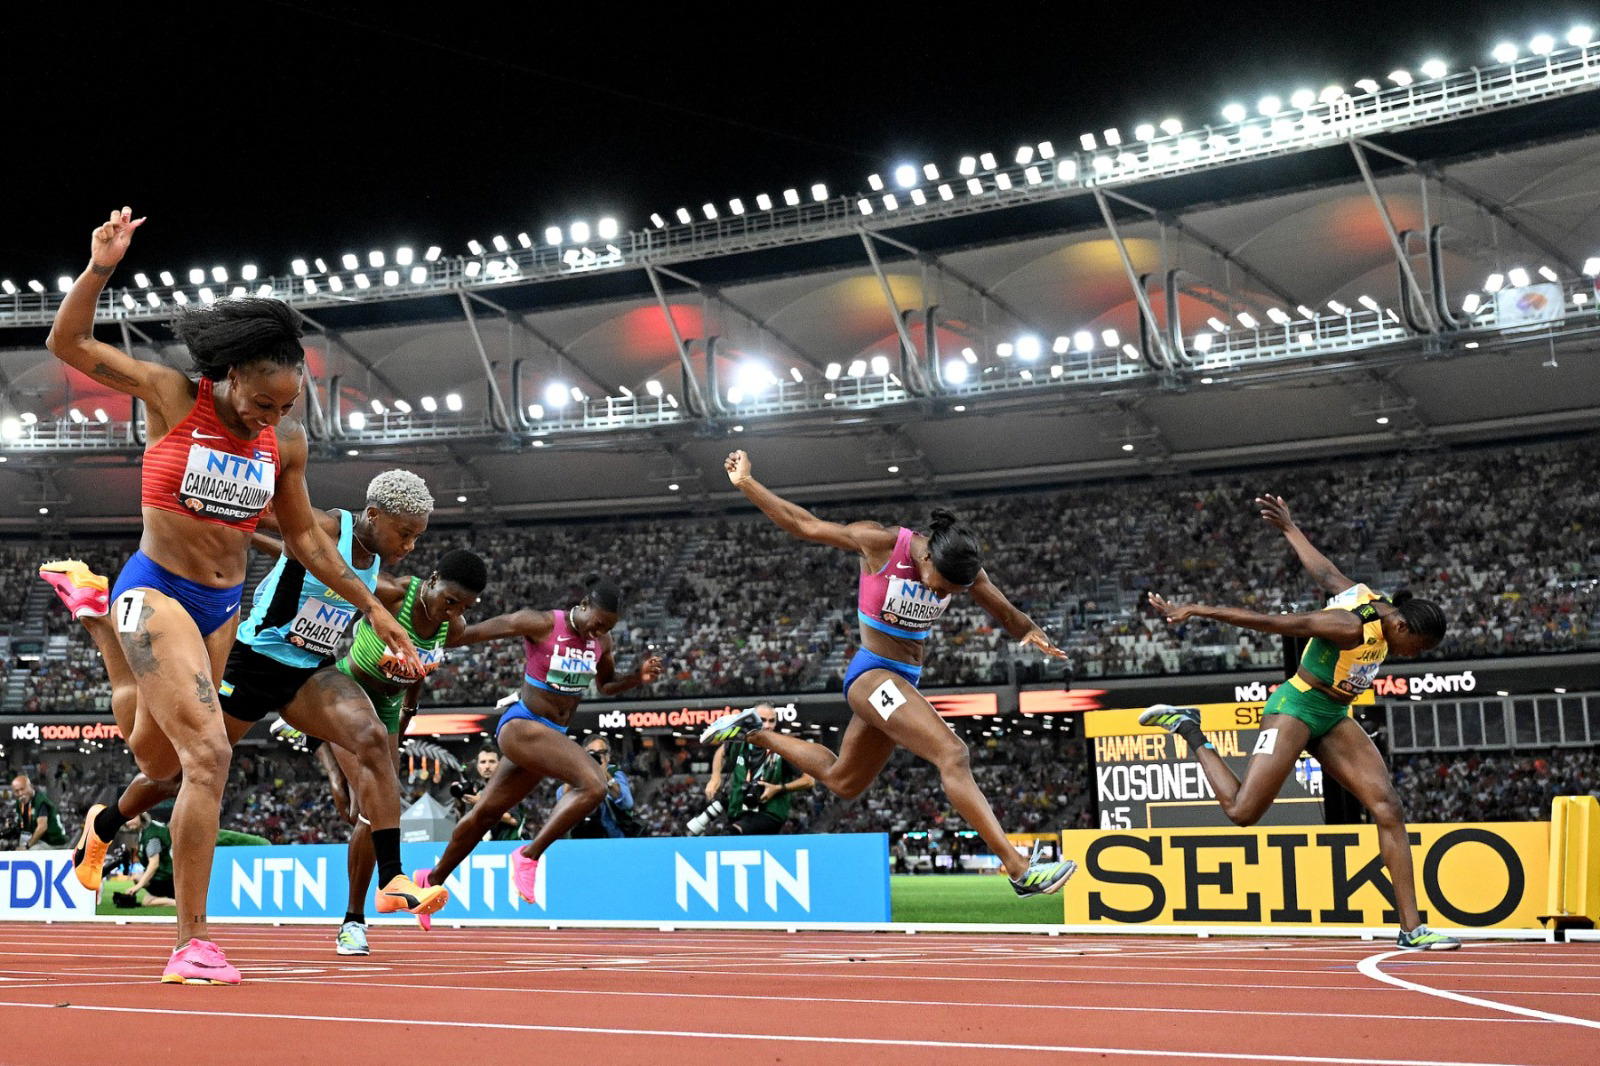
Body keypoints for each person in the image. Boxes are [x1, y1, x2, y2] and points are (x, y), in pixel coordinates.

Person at [42, 206, 422, 985]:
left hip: (222, 611)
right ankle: (190, 942)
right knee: (210, 754)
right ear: (232, 372)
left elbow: (309, 539)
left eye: (285, 408)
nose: (271, 418)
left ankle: (90, 621)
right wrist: (100, 266)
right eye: (262, 401)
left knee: (160, 761)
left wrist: (377, 608)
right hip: (156, 594)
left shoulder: (284, 443)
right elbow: (67, 344)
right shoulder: (172, 396)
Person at [46, 470, 449, 960]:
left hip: (307, 673)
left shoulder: (382, 577)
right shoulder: (322, 525)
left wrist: (404, 661)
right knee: (174, 772)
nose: (409, 544)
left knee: (371, 736)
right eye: (404, 532)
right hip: (251, 660)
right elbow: (256, 520)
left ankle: (391, 877)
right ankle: (105, 824)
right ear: (374, 515)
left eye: (417, 536)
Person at [700, 451, 1075, 896]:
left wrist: (1032, 632)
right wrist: (747, 482)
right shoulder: (880, 543)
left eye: (953, 593)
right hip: (872, 675)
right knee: (952, 754)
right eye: (942, 586)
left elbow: (1004, 610)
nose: (943, 594)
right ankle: (1018, 868)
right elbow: (803, 524)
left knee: (843, 781)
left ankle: (754, 733)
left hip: (902, 680)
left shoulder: (962, 571)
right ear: (929, 558)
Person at [1140, 493, 1459, 951]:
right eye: (1419, 649)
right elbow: (1273, 623)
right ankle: (1191, 730)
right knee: (1243, 813)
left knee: (1387, 806)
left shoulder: (1378, 604)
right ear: (1404, 629)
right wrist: (1199, 609)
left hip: (1333, 713)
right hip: (1297, 705)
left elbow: (1328, 573)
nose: (1414, 657)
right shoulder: (1349, 626)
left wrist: (1290, 528)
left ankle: (1413, 928)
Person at [412, 577, 663, 904]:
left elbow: (606, 686)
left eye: (607, 628)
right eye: (598, 623)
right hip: (522, 725)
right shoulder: (541, 622)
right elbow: (469, 635)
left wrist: (636, 679)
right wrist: (424, 631)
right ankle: (529, 856)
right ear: (584, 605)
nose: (598, 632)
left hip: (550, 735)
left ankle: (428, 881)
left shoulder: (603, 643)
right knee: (595, 784)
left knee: (485, 814)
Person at [329, 549, 491, 932]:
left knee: (375, 813)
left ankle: (382, 895)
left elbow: (420, 665)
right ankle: (354, 921)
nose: (451, 613)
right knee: (371, 806)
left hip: (386, 709)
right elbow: (328, 576)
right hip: (345, 696)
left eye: (463, 607)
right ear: (432, 579)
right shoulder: (391, 593)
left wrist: (409, 710)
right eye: (449, 601)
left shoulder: (451, 626)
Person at [705, 704, 814, 835]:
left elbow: (809, 780)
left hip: (769, 813)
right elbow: (720, 752)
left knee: (730, 834)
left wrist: (777, 789)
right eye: (762, 720)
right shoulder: (741, 740)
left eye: (772, 721)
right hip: (738, 810)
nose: (767, 725)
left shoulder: (784, 747)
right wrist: (715, 777)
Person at [562, 736, 635, 839]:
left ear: (608, 756)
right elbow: (561, 800)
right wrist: (577, 770)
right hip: (580, 840)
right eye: (591, 753)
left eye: (601, 752)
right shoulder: (577, 773)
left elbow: (627, 803)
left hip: (613, 840)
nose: (596, 757)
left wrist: (604, 774)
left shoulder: (615, 773)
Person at [452, 749, 525, 841]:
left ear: (500, 764)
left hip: (507, 846)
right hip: (483, 847)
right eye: (483, 762)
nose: (487, 766)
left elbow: (513, 820)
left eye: (492, 761)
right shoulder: (477, 790)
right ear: (478, 766)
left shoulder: (509, 787)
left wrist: (481, 802)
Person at [10, 774, 68, 849]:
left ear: (30, 786)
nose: (20, 793)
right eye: (17, 791)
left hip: (53, 843)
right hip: (37, 840)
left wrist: (27, 846)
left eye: (22, 789)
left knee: (33, 850)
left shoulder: (40, 801)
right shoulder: (20, 802)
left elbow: (42, 827)